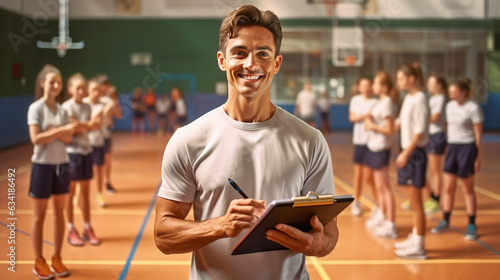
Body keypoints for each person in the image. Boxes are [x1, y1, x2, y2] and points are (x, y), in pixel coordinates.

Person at [154, 5, 338, 280]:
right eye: (239, 53)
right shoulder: (189, 140)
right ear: (222, 60)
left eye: (262, 54)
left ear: (276, 63)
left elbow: (330, 233)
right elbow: (163, 235)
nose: (251, 64)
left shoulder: (310, 141)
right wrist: (220, 226)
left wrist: (317, 245)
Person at [27, 64, 78, 279]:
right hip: (42, 165)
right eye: (51, 82)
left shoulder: (63, 110)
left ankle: (57, 257)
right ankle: (39, 260)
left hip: (61, 165)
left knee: (59, 214)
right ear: (42, 83)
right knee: (39, 216)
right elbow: (36, 139)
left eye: (59, 82)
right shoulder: (36, 108)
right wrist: (61, 130)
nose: (56, 85)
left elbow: (69, 138)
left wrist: (53, 132)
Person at [431, 78, 484, 240]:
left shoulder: (473, 107)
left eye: (454, 92)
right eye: (450, 93)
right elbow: (448, 126)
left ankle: (471, 224)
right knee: (448, 188)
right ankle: (445, 220)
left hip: (467, 149)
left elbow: (477, 135)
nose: (452, 95)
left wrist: (477, 156)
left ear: (463, 92)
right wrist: (446, 144)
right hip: (452, 148)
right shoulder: (449, 106)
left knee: (467, 189)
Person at [393, 63, 429, 259]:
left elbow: (420, 132)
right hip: (407, 150)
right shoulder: (408, 98)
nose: (398, 82)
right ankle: (415, 236)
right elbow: (400, 123)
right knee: (411, 199)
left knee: (416, 202)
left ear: (411, 78)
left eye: (401, 78)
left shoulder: (420, 99)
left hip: (415, 154)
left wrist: (406, 153)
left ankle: (420, 245)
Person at [62, 73, 101, 247]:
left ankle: (87, 227)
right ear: (70, 89)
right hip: (71, 153)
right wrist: (87, 125)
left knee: (85, 192)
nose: (81, 91)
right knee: (70, 192)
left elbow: (95, 126)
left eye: (83, 88)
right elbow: (73, 128)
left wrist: (82, 125)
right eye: (77, 88)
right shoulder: (66, 107)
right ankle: (71, 228)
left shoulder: (87, 106)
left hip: (87, 151)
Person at [364, 71, 399, 238]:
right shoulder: (381, 102)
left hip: (381, 148)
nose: (373, 86)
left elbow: (390, 130)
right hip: (374, 147)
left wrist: (372, 126)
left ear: (384, 87)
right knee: (379, 186)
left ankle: (391, 224)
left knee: (385, 187)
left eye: (376, 84)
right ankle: (383, 215)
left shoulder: (388, 104)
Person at [348, 77, 377, 217]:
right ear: (359, 87)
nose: (365, 87)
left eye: (368, 85)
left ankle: (379, 204)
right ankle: (357, 201)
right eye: (363, 85)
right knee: (358, 175)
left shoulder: (376, 102)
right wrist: (366, 115)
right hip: (359, 141)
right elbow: (352, 118)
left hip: (372, 143)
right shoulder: (356, 100)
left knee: (369, 177)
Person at [96, 75, 122, 194]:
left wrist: (115, 99)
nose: (104, 88)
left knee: (107, 159)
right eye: (102, 86)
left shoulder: (110, 100)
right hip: (94, 135)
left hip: (106, 134)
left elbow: (118, 115)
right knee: (96, 163)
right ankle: (97, 186)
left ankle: (107, 182)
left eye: (106, 86)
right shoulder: (92, 99)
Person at [84, 78, 107, 207]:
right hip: (84, 144)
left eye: (98, 90)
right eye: (93, 90)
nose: (96, 93)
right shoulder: (83, 104)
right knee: (82, 174)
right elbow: (84, 125)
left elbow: (96, 125)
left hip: (98, 143)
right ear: (88, 90)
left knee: (99, 170)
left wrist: (88, 123)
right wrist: (89, 123)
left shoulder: (101, 106)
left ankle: (100, 194)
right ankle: (78, 195)